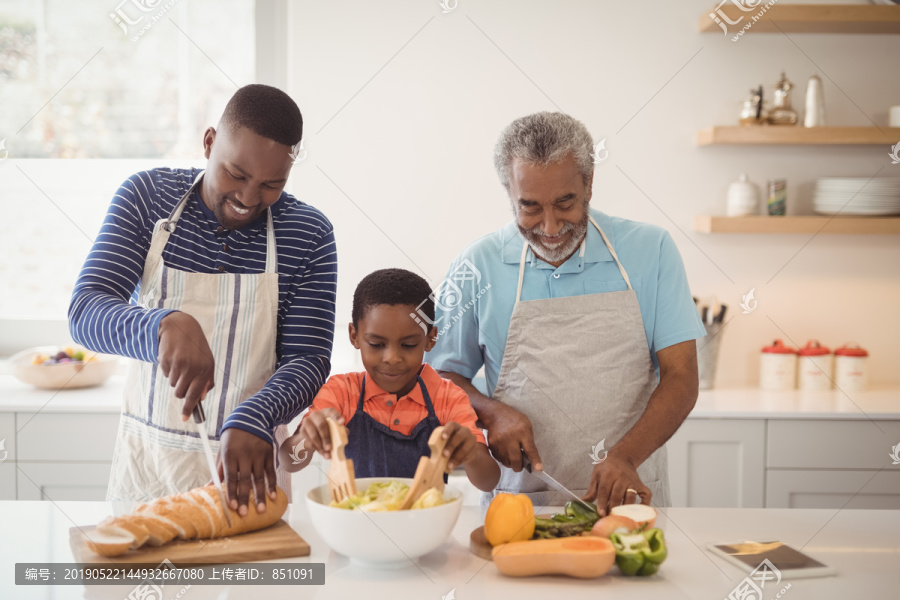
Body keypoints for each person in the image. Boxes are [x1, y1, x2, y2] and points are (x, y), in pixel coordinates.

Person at [69, 84, 337, 515]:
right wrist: (161, 326)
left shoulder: (308, 234)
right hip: (148, 473)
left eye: (271, 184)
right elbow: (86, 310)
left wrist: (258, 416)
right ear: (209, 142)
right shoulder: (147, 198)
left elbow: (308, 360)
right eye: (236, 174)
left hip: (250, 479)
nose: (249, 199)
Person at [427, 112, 705, 514]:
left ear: (589, 183)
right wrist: (490, 411)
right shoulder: (475, 265)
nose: (551, 225)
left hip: (626, 501)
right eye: (530, 207)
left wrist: (626, 457)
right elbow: (438, 377)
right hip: (518, 506)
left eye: (565, 203)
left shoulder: (651, 250)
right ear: (509, 193)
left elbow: (681, 376)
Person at [280, 269, 500, 492]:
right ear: (354, 336)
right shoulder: (341, 392)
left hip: (426, 525)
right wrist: (306, 441)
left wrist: (471, 453)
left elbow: (488, 481)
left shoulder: (448, 398)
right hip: (355, 523)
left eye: (408, 345)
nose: (392, 359)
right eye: (377, 344)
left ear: (430, 339)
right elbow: (290, 462)